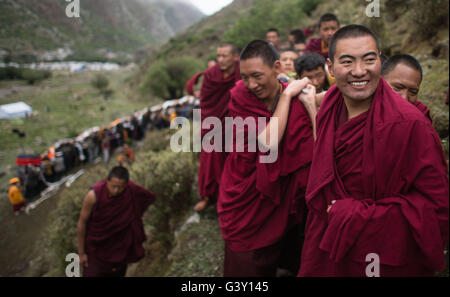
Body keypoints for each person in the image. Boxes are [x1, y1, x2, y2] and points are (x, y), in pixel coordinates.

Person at [298, 25, 449, 277]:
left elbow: (436, 210)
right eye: (347, 61)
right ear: (331, 68)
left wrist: (356, 215)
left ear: (380, 60)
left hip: (381, 255)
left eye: (369, 59)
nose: (359, 71)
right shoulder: (331, 104)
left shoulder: (410, 124)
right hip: (327, 239)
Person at [218, 40, 317, 277]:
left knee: (281, 249)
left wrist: (306, 95)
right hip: (245, 193)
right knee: (246, 262)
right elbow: (267, 143)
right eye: (244, 76)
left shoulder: (290, 89)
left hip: (279, 193)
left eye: (257, 76)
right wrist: (287, 97)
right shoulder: (241, 96)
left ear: (276, 67)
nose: (251, 84)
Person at [77, 166, 156, 277]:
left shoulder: (131, 190)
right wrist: (81, 253)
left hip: (120, 250)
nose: (116, 190)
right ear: (107, 180)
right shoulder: (94, 195)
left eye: (120, 187)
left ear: (126, 184)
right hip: (95, 252)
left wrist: (134, 216)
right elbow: (82, 223)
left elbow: (147, 198)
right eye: (113, 186)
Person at [195, 43, 241, 212]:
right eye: (218, 56)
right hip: (215, 124)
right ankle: (208, 196)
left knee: (235, 161)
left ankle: (231, 196)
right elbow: (206, 103)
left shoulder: (242, 71)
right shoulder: (211, 75)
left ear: (235, 57)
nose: (220, 60)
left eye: (224, 56)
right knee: (210, 160)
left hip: (237, 123)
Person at [381, 54, 431, 122]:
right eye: (398, 87)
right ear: (380, 81)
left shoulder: (420, 118)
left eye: (413, 92)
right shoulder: (364, 107)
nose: (404, 98)